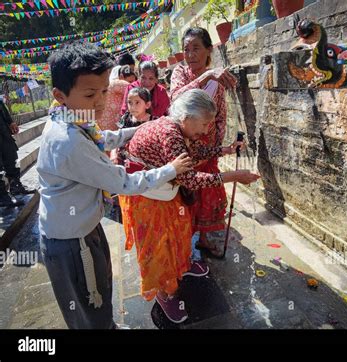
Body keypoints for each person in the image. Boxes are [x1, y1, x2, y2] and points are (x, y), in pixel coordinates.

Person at [37, 41, 193, 329]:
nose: (99, 101)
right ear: (60, 95)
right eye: (89, 94)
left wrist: (144, 126)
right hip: (72, 242)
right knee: (88, 301)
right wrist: (170, 169)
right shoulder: (68, 142)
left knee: (99, 290)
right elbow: (123, 181)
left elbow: (106, 138)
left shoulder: (72, 117)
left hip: (82, 229)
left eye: (104, 92)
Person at [119, 89, 260, 323]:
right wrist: (233, 176)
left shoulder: (177, 127)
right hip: (148, 198)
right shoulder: (170, 134)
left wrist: (223, 150)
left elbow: (193, 152)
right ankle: (165, 293)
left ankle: (182, 266)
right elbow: (191, 179)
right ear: (186, 118)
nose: (206, 130)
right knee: (160, 246)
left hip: (164, 191)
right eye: (204, 124)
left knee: (179, 233)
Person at [170, 27, 238, 256]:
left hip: (206, 146)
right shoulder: (180, 72)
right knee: (186, 191)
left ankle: (206, 238)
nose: (190, 54)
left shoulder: (217, 80)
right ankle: (183, 242)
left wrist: (216, 147)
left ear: (209, 50)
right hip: (185, 145)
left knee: (208, 192)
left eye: (196, 48)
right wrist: (204, 77)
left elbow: (220, 115)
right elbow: (176, 100)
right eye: (186, 49)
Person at [0, 98, 35, 208]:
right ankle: (2, 196)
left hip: (3, 131)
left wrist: (10, 122)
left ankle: (15, 186)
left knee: (11, 157)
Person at [111, 87, 153, 165]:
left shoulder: (153, 122)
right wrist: (113, 154)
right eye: (130, 102)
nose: (133, 107)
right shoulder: (125, 117)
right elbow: (117, 136)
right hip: (124, 160)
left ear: (147, 105)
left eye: (137, 102)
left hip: (143, 164)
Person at [99, 65, 137, 131]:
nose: (132, 84)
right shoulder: (118, 83)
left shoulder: (112, 84)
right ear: (121, 76)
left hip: (106, 127)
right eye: (130, 81)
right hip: (111, 127)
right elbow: (136, 91)